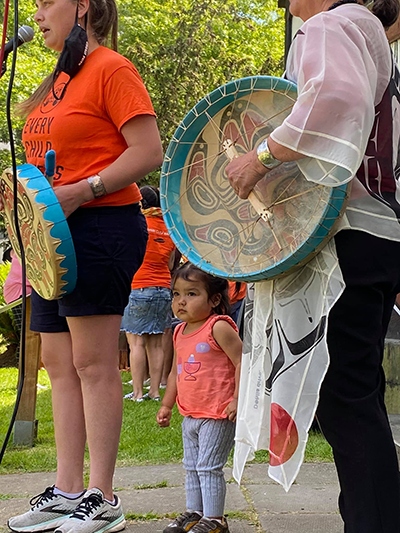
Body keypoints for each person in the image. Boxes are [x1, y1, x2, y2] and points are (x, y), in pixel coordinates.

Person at [226, 1, 400, 532]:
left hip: (349, 235)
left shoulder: (326, 26)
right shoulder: (364, 31)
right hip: (378, 233)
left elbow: (335, 97)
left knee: (347, 399)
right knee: (357, 395)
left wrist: (261, 158)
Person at [7, 0, 163, 532]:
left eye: (48, 1)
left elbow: (148, 151)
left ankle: (104, 495)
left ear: (85, 6)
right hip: (50, 236)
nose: (38, 11)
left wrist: (85, 189)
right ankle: (69, 490)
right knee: (57, 361)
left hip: (101, 229)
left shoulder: (112, 69)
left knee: (94, 363)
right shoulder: (55, 81)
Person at [157, 262, 242, 533]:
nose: (181, 301)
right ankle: (195, 513)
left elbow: (242, 361)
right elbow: (174, 372)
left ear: (215, 299)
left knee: (208, 467)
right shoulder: (180, 331)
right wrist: (167, 404)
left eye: (191, 294)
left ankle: (215, 520)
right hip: (191, 413)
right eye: (176, 294)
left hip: (218, 412)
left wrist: (237, 398)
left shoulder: (218, 326)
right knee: (191, 467)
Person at [121, 185, 175, 401]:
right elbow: (170, 263)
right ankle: (154, 391)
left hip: (139, 286)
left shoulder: (137, 223)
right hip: (163, 288)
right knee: (156, 343)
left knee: (136, 343)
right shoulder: (168, 227)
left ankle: (137, 393)